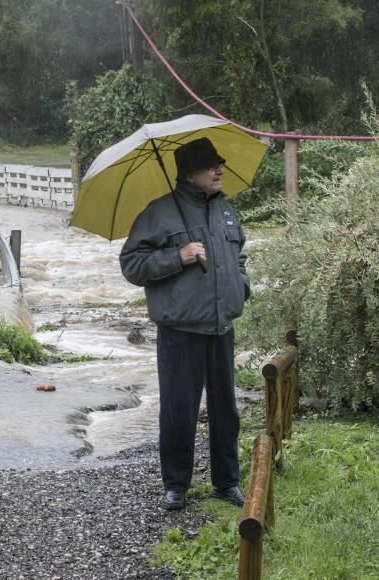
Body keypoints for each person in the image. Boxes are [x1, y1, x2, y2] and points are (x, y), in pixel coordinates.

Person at [119, 137, 251, 511]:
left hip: (221, 327)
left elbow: (238, 257)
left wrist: (241, 288)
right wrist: (178, 256)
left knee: (226, 409)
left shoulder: (225, 211)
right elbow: (132, 265)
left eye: (220, 163)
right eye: (211, 165)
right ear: (190, 173)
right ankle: (176, 484)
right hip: (179, 331)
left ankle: (227, 483)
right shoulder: (159, 213)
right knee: (179, 411)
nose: (219, 169)